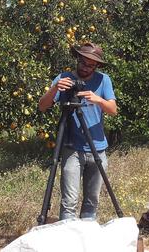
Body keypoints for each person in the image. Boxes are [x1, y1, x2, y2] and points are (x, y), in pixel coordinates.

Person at [38, 42, 118, 221]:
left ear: (96, 65)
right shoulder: (63, 78)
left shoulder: (103, 79)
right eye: (83, 62)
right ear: (77, 59)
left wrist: (98, 100)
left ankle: (86, 239)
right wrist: (55, 88)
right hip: (72, 149)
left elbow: (113, 110)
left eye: (90, 65)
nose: (85, 68)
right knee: (69, 201)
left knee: (92, 200)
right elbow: (42, 106)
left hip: (98, 148)